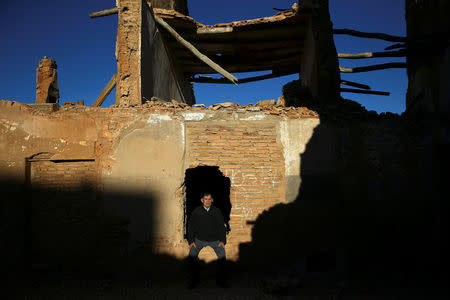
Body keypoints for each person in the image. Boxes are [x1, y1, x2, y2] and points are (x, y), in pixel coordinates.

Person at [187, 192, 228, 288]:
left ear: (212, 200)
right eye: (206, 199)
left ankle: (221, 280)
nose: (207, 201)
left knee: (222, 256)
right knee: (192, 255)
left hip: (215, 240)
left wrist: (222, 241)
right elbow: (191, 227)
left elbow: (221, 227)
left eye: (209, 199)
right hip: (199, 240)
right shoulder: (196, 211)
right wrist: (191, 241)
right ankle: (193, 280)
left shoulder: (217, 211)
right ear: (202, 200)